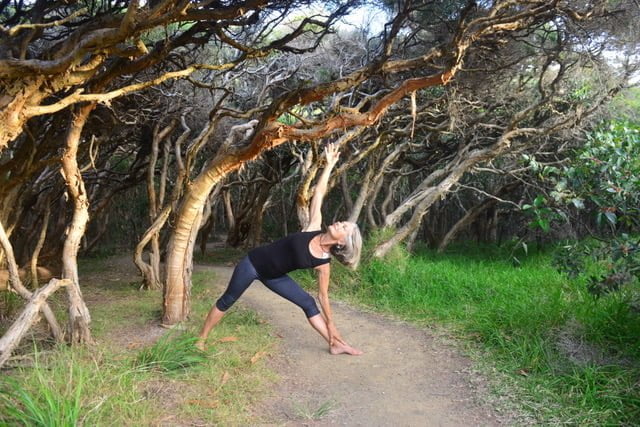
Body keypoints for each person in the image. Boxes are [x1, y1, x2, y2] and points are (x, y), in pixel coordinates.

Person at [197, 143, 363, 355]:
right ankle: (201, 339)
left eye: (344, 227)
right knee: (228, 299)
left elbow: (324, 297)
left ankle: (336, 343)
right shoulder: (313, 227)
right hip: (252, 264)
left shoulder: (323, 263)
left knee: (308, 302)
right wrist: (329, 165)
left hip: (274, 276)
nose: (340, 222)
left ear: (342, 243)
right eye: (343, 222)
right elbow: (319, 194)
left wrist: (331, 324)